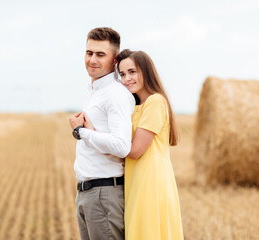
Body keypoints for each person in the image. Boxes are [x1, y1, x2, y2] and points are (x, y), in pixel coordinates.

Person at [83, 49, 184, 240]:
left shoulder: (155, 102)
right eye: (121, 74)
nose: (126, 78)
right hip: (136, 180)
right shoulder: (135, 106)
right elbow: (121, 146)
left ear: (146, 72)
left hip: (150, 181)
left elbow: (135, 150)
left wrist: (90, 134)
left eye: (132, 72)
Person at [69, 28, 135, 240]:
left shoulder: (115, 94)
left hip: (103, 194)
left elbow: (121, 145)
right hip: (88, 194)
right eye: (89, 53)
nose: (92, 60)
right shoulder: (97, 92)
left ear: (114, 59)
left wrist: (82, 133)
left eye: (100, 54)